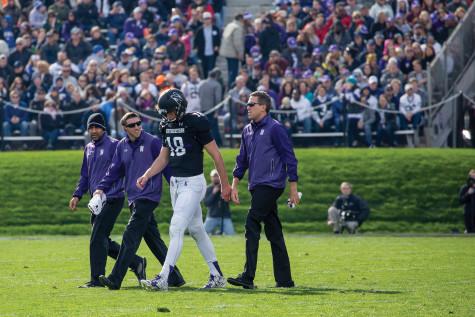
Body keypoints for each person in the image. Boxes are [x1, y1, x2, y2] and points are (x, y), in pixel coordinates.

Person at [138, 88, 231, 291]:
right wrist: (147, 174)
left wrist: (225, 185)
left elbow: (216, 155)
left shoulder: (195, 122)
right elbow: (164, 158)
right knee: (197, 229)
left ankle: (163, 277)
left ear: (179, 108)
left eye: (169, 111)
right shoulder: (165, 125)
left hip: (193, 183)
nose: (166, 115)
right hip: (176, 184)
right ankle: (217, 275)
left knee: (176, 228)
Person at [93, 112, 185, 290]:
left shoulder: (153, 142)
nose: (137, 127)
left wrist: (178, 188)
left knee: (130, 235)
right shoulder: (121, 146)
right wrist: (100, 188)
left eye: (138, 123)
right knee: (153, 240)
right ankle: (174, 276)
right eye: (132, 125)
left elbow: (165, 165)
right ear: (125, 128)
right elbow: (114, 171)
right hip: (133, 199)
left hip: (148, 197)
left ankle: (115, 278)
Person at [228, 91, 300, 289]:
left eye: (252, 104)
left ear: (264, 107)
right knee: (274, 232)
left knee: (252, 222)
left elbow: (289, 158)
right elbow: (241, 160)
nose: (248, 107)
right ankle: (285, 280)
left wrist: (293, 188)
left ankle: (248, 276)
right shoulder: (247, 131)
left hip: (271, 185)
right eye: (248, 104)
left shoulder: (275, 128)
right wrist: (234, 184)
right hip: (256, 186)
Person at [69, 113, 147, 288]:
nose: (94, 130)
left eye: (97, 127)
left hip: (113, 198)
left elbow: (123, 168)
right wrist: (77, 195)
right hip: (96, 202)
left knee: (97, 238)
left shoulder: (114, 145)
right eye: (91, 127)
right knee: (102, 239)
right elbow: (85, 175)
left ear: (104, 128)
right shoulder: (88, 148)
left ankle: (96, 279)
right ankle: (136, 263)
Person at [204, 169, 235, 235]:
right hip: (212, 216)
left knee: (231, 234)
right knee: (201, 234)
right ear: (211, 177)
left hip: (225, 216)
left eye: (217, 176)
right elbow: (206, 203)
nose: (216, 178)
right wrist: (213, 193)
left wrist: (225, 195)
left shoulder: (226, 187)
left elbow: (231, 200)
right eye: (214, 176)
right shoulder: (208, 189)